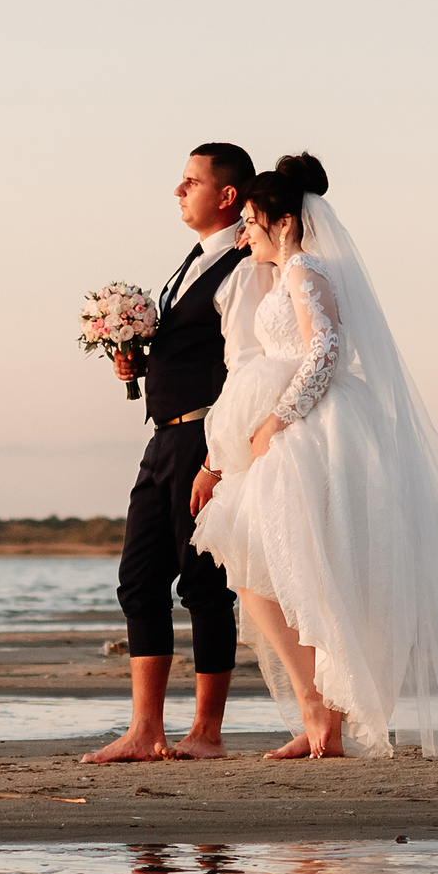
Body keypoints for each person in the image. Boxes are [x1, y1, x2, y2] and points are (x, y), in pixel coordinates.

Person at [190, 153, 438, 758]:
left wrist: (275, 421)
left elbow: (324, 355)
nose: (247, 237)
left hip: (311, 430)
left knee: (306, 571)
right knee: (268, 565)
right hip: (292, 429)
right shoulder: (287, 272)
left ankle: (325, 715)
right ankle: (319, 712)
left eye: (255, 226)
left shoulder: (304, 272)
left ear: (283, 224)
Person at [83, 143, 275, 764]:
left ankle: (206, 734)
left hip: (205, 436)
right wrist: (138, 361)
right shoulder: (190, 263)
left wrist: (217, 459)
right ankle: (146, 731)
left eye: (190, 181)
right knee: (139, 579)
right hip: (162, 435)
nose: (177, 190)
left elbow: (245, 368)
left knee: (203, 585)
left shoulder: (245, 268)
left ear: (226, 196)